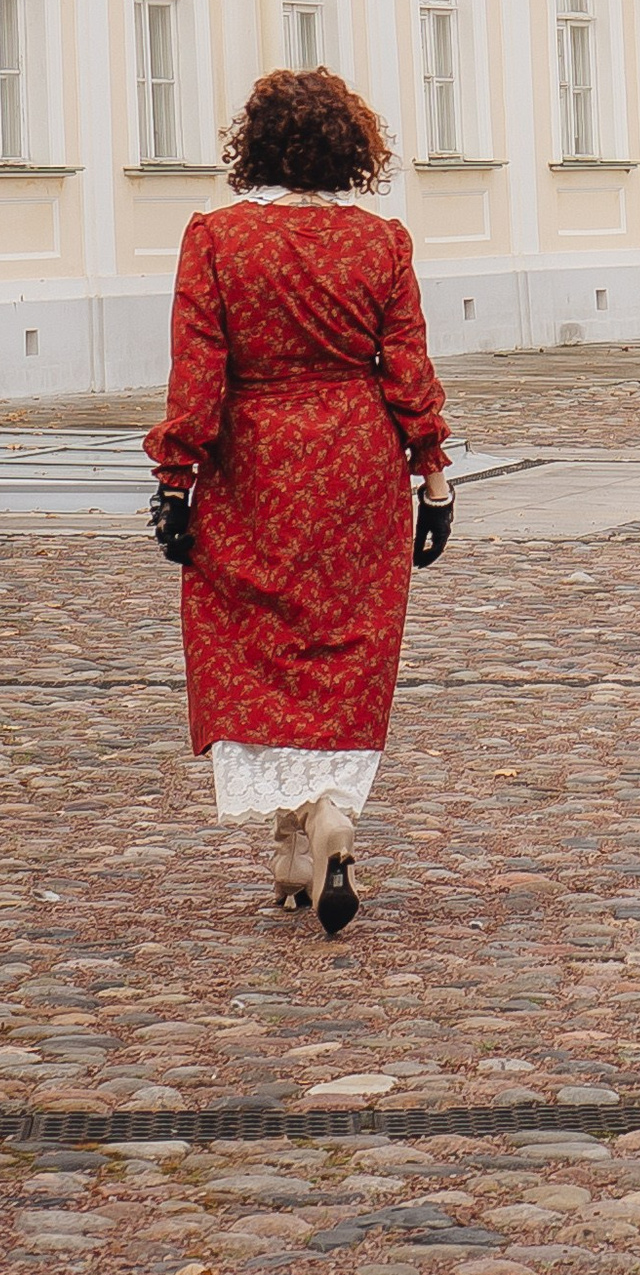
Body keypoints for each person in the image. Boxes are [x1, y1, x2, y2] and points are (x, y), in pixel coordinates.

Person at [143, 67, 454, 934]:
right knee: (347, 637)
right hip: (359, 461)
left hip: (256, 460)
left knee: (248, 635)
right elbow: (408, 367)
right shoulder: (381, 243)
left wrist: (175, 481)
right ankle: (318, 823)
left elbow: (198, 371)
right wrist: (432, 476)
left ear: (255, 148)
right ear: (353, 151)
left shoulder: (217, 238)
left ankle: (301, 822)